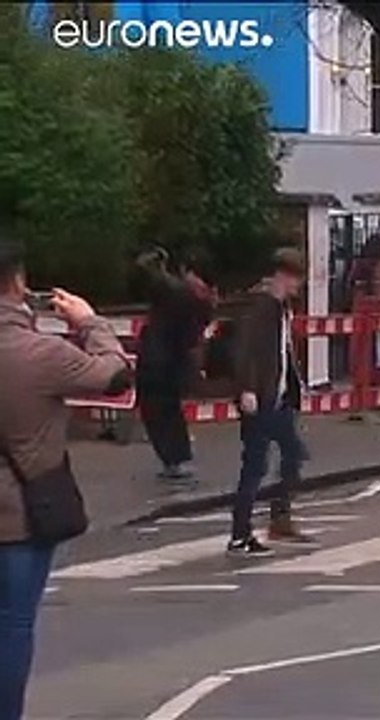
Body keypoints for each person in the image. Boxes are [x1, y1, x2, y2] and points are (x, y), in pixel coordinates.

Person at [0, 241, 130, 720]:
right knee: (12, 626)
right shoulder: (41, 354)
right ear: (18, 283)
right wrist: (89, 322)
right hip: (21, 517)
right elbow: (115, 377)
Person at [227, 248, 315, 558]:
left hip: (277, 398)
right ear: (284, 276)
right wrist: (247, 388)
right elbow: (245, 350)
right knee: (257, 465)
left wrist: (294, 388)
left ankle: (277, 519)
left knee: (288, 455)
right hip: (260, 399)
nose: (299, 286)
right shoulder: (261, 307)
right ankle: (241, 535)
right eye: (297, 279)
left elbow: (282, 352)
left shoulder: (280, 307)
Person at [135, 248, 216, 481]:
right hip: (169, 362)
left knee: (160, 411)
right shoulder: (196, 299)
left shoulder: (178, 293)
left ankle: (174, 460)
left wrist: (156, 265)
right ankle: (176, 459)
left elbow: (155, 281)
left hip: (158, 361)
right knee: (167, 411)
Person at [348, 234, 380, 366]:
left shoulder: (361, 262)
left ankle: (369, 367)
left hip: (365, 306)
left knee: (368, 340)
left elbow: (352, 282)